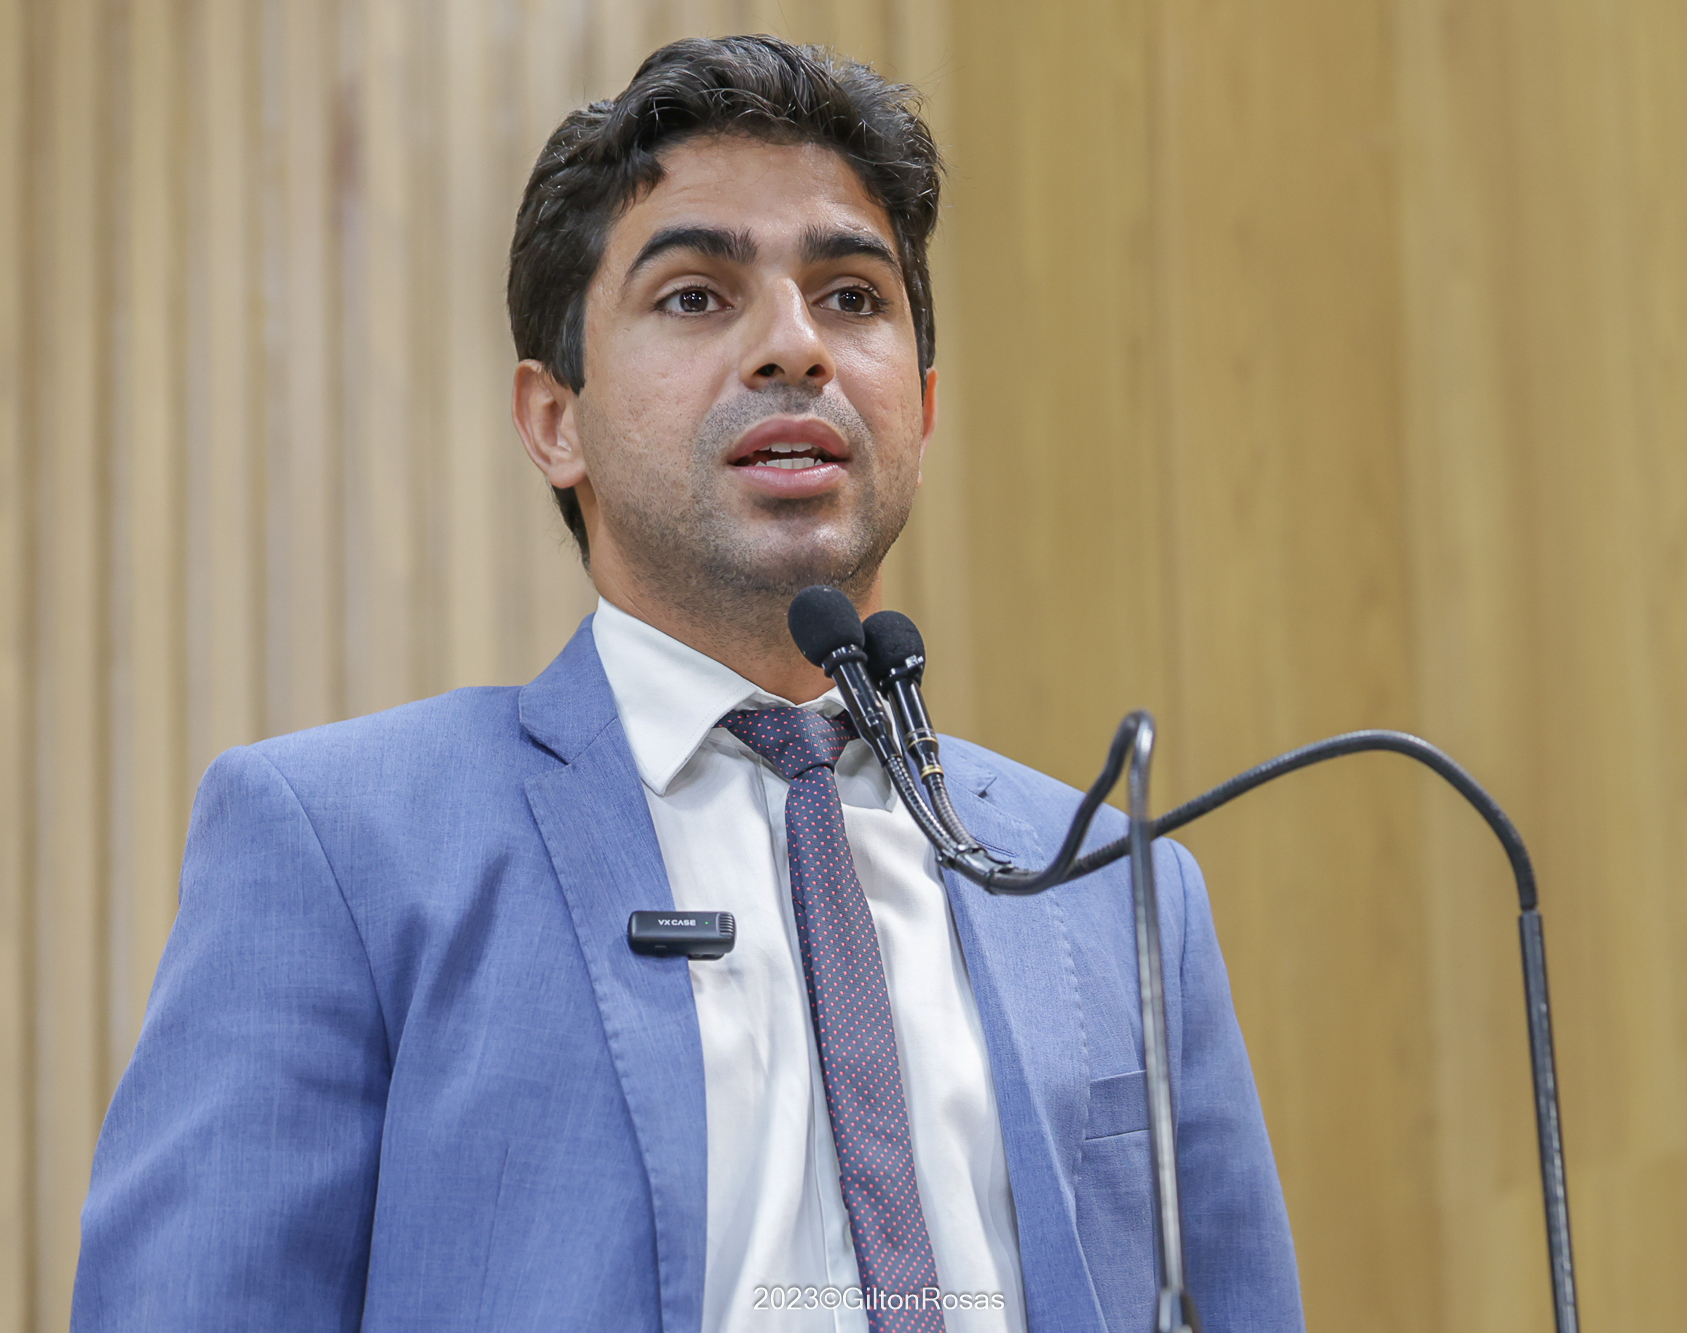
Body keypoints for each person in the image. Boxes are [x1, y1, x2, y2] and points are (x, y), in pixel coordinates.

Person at [73, 35, 1303, 1333]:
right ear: (555, 420)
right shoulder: (344, 847)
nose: (795, 348)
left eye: (851, 297)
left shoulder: (1116, 887)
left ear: (924, 407)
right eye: (698, 297)